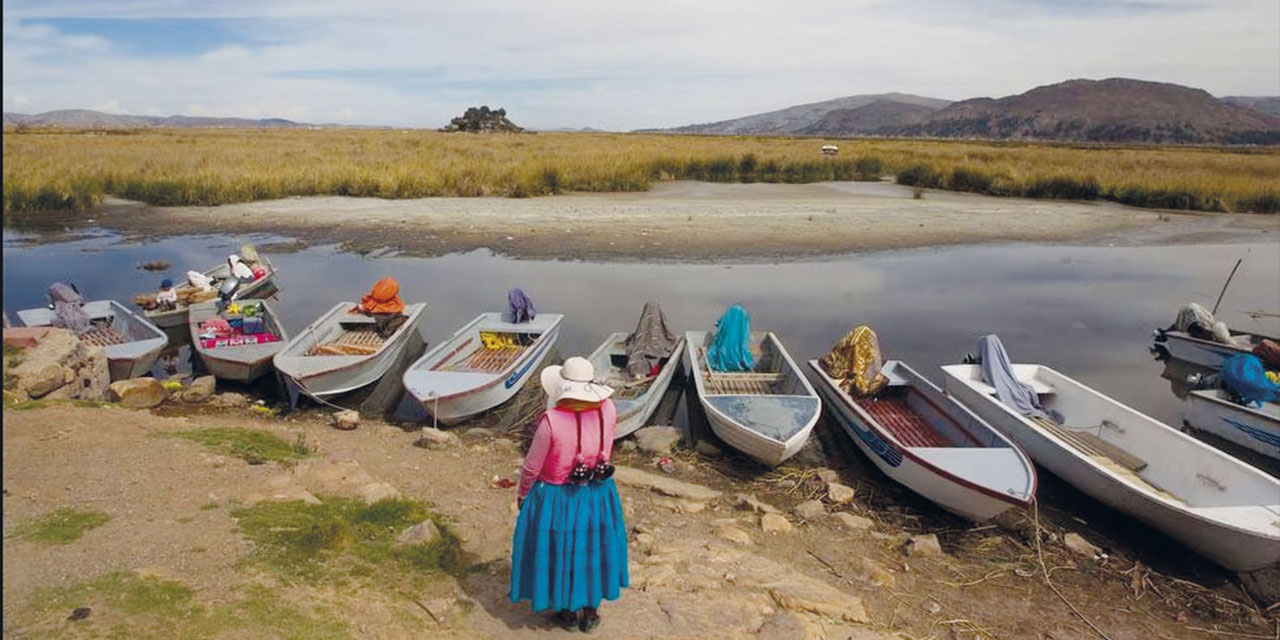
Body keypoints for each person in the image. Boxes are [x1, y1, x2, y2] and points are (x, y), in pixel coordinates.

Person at [510, 357, 628, 633]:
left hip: (558, 497)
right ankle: (590, 612)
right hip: (599, 492)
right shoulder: (608, 409)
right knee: (593, 548)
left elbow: (531, 466)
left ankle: (568, 611)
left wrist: (523, 494)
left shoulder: (551, 421)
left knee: (562, 550)